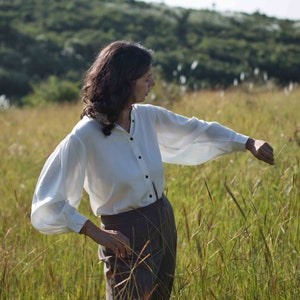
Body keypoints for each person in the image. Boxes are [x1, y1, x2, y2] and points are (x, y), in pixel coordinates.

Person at [31, 40, 274, 299]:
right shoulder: (84, 135)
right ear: (125, 80)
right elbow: (47, 199)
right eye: (147, 78)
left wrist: (247, 142)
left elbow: (196, 129)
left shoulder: (146, 116)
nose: (153, 84)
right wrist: (94, 231)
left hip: (163, 221)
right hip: (124, 236)